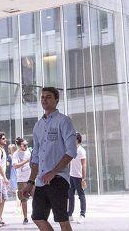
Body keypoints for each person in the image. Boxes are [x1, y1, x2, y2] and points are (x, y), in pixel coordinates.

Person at [20, 87, 78, 231]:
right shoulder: (38, 125)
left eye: (49, 97)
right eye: (43, 97)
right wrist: (30, 182)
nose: (44, 99)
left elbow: (71, 151)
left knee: (62, 219)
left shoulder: (64, 121)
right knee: (37, 217)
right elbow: (36, 157)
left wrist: (53, 172)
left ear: (56, 100)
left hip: (58, 179)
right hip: (40, 181)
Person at [67, 133, 87, 224]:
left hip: (79, 177)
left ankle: (82, 215)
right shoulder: (72, 149)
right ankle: (69, 214)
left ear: (77, 140)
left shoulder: (81, 150)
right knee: (70, 195)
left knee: (81, 196)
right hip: (71, 176)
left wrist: (83, 178)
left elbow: (84, 164)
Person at [12, 137, 32, 224]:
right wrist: (26, 161)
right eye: (24, 145)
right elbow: (15, 166)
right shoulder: (16, 154)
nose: (26, 146)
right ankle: (25, 217)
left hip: (31, 178)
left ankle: (36, 215)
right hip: (21, 179)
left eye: (27, 144)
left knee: (36, 197)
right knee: (23, 199)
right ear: (20, 146)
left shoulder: (28, 152)